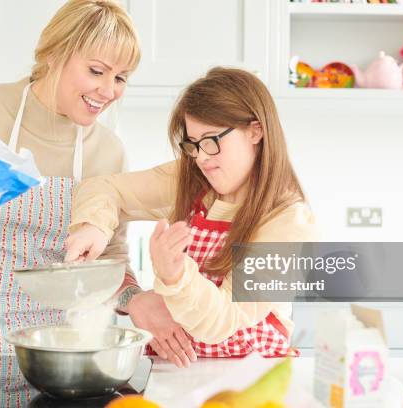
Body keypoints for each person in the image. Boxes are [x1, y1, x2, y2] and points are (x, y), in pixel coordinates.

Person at [0, 0, 188, 355]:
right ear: (54, 54)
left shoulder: (108, 152)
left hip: (52, 347)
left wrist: (135, 300)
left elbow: (110, 260)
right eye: (96, 71)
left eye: (120, 78)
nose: (108, 91)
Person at [65, 67, 319, 367]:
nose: (201, 157)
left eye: (211, 140)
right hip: (172, 372)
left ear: (255, 130)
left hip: (252, 377)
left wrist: (175, 276)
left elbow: (226, 318)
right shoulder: (191, 180)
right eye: (193, 144)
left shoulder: (288, 221)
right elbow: (104, 188)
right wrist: (93, 225)